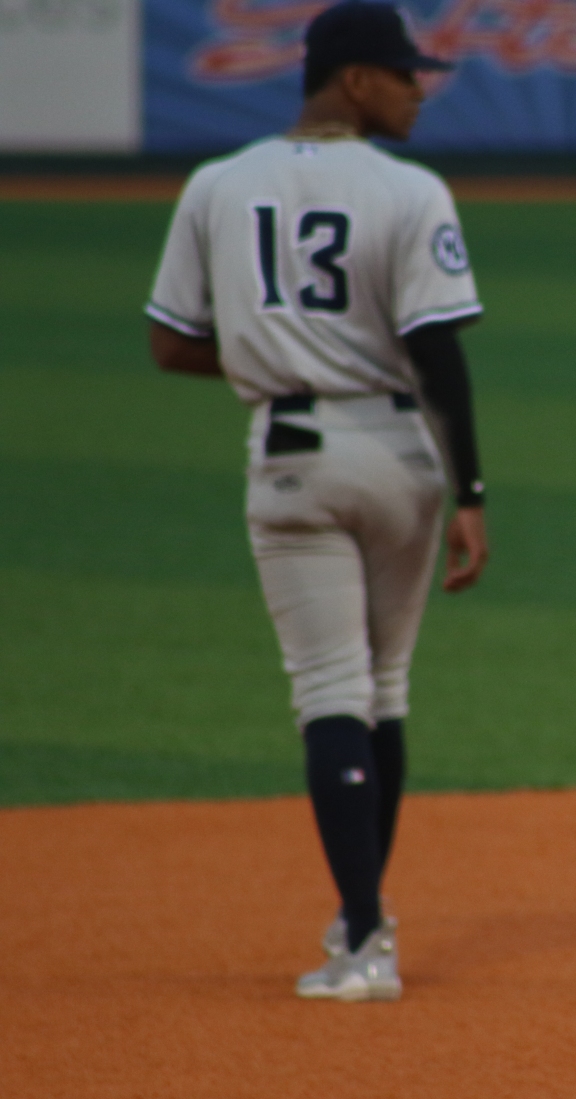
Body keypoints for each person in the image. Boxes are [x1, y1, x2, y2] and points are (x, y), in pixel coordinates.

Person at [144, 0, 488, 1002]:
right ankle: (360, 922)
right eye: (405, 73)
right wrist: (472, 489)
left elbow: (170, 341)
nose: (419, 89)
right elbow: (435, 350)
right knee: (385, 689)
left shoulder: (217, 184)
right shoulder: (411, 190)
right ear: (354, 80)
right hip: (401, 453)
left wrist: (274, 357)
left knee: (330, 689)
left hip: (290, 451)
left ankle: (364, 938)